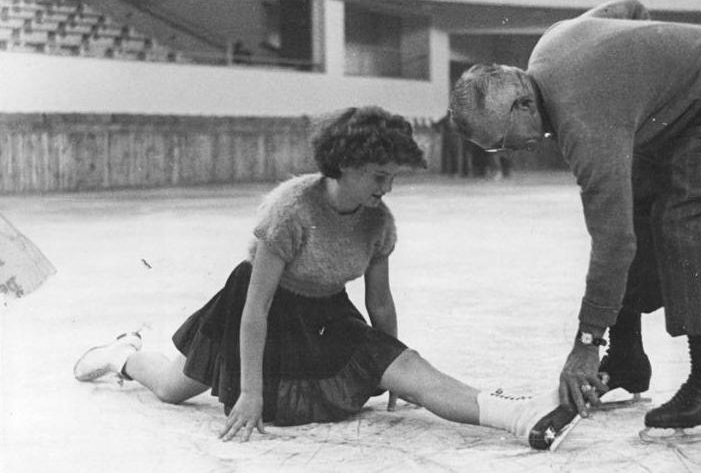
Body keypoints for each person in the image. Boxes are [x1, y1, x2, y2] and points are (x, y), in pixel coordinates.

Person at [73, 106, 574, 450]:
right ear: (344, 166)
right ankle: (125, 354)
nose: (389, 187)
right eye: (380, 175)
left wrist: (390, 360)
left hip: (327, 313)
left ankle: (519, 416)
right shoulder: (290, 211)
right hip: (255, 307)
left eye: (394, 176)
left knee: (415, 372)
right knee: (171, 387)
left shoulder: (379, 221)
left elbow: (379, 305)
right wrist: (250, 393)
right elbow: (255, 306)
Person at [449, 0, 701, 439]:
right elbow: (632, 9)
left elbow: (612, 241)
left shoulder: (582, 119)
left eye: (503, 142)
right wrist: (649, 72)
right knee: (636, 206)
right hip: (685, 103)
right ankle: (627, 358)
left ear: (524, 106)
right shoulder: (551, 44)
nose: (509, 153)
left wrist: (586, 343)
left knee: (687, 223)